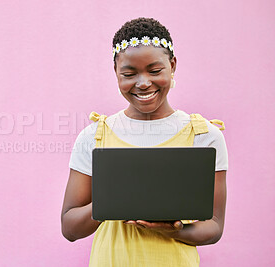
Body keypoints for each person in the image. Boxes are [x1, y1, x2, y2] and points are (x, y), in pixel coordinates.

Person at [61, 17, 228, 266]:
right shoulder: (95, 136)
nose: (143, 83)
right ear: (116, 73)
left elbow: (214, 226)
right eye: (129, 73)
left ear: (172, 65)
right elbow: (70, 228)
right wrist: (112, 200)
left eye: (155, 70)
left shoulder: (205, 136)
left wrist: (174, 230)